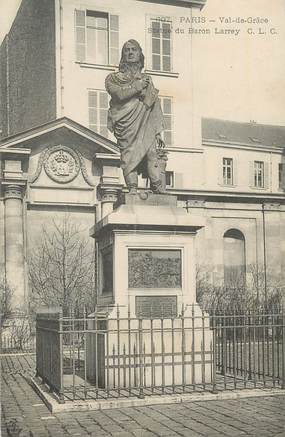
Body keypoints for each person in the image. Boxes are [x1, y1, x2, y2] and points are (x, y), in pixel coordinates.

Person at [105, 39, 165, 194]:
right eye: (127, 50)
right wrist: (137, 87)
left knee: (151, 153)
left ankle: (157, 186)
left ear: (140, 54)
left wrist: (158, 131)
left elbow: (154, 104)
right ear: (123, 55)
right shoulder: (113, 78)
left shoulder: (147, 79)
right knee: (128, 155)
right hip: (125, 123)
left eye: (134, 49)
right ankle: (132, 189)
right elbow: (118, 94)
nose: (130, 52)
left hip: (146, 122)